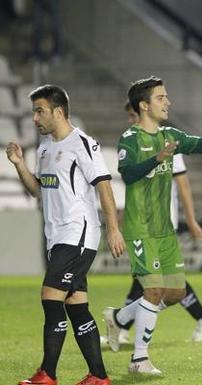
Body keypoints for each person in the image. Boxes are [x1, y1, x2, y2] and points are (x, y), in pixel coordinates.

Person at [102, 76, 202, 375]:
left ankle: (119, 317)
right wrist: (157, 159)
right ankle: (139, 359)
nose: (168, 102)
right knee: (153, 291)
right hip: (141, 227)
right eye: (161, 98)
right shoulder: (130, 138)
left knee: (176, 293)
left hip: (165, 229)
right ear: (144, 105)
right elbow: (128, 174)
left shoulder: (170, 135)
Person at [7, 84, 125, 385]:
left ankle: (47, 373)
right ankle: (98, 376)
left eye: (39, 111)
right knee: (77, 306)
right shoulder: (45, 149)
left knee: (50, 298)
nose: (35, 118)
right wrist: (20, 165)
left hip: (78, 235)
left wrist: (113, 229)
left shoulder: (82, 143)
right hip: (56, 237)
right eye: (34, 111)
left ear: (58, 112)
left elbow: (104, 185)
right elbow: (38, 191)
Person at [106, 103, 202, 346]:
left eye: (132, 115)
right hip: (144, 223)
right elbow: (133, 182)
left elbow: (183, 184)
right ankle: (123, 327)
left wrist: (190, 220)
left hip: (161, 224)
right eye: (128, 116)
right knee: (151, 284)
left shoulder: (168, 143)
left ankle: (123, 324)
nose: (130, 120)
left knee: (156, 285)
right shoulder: (134, 142)